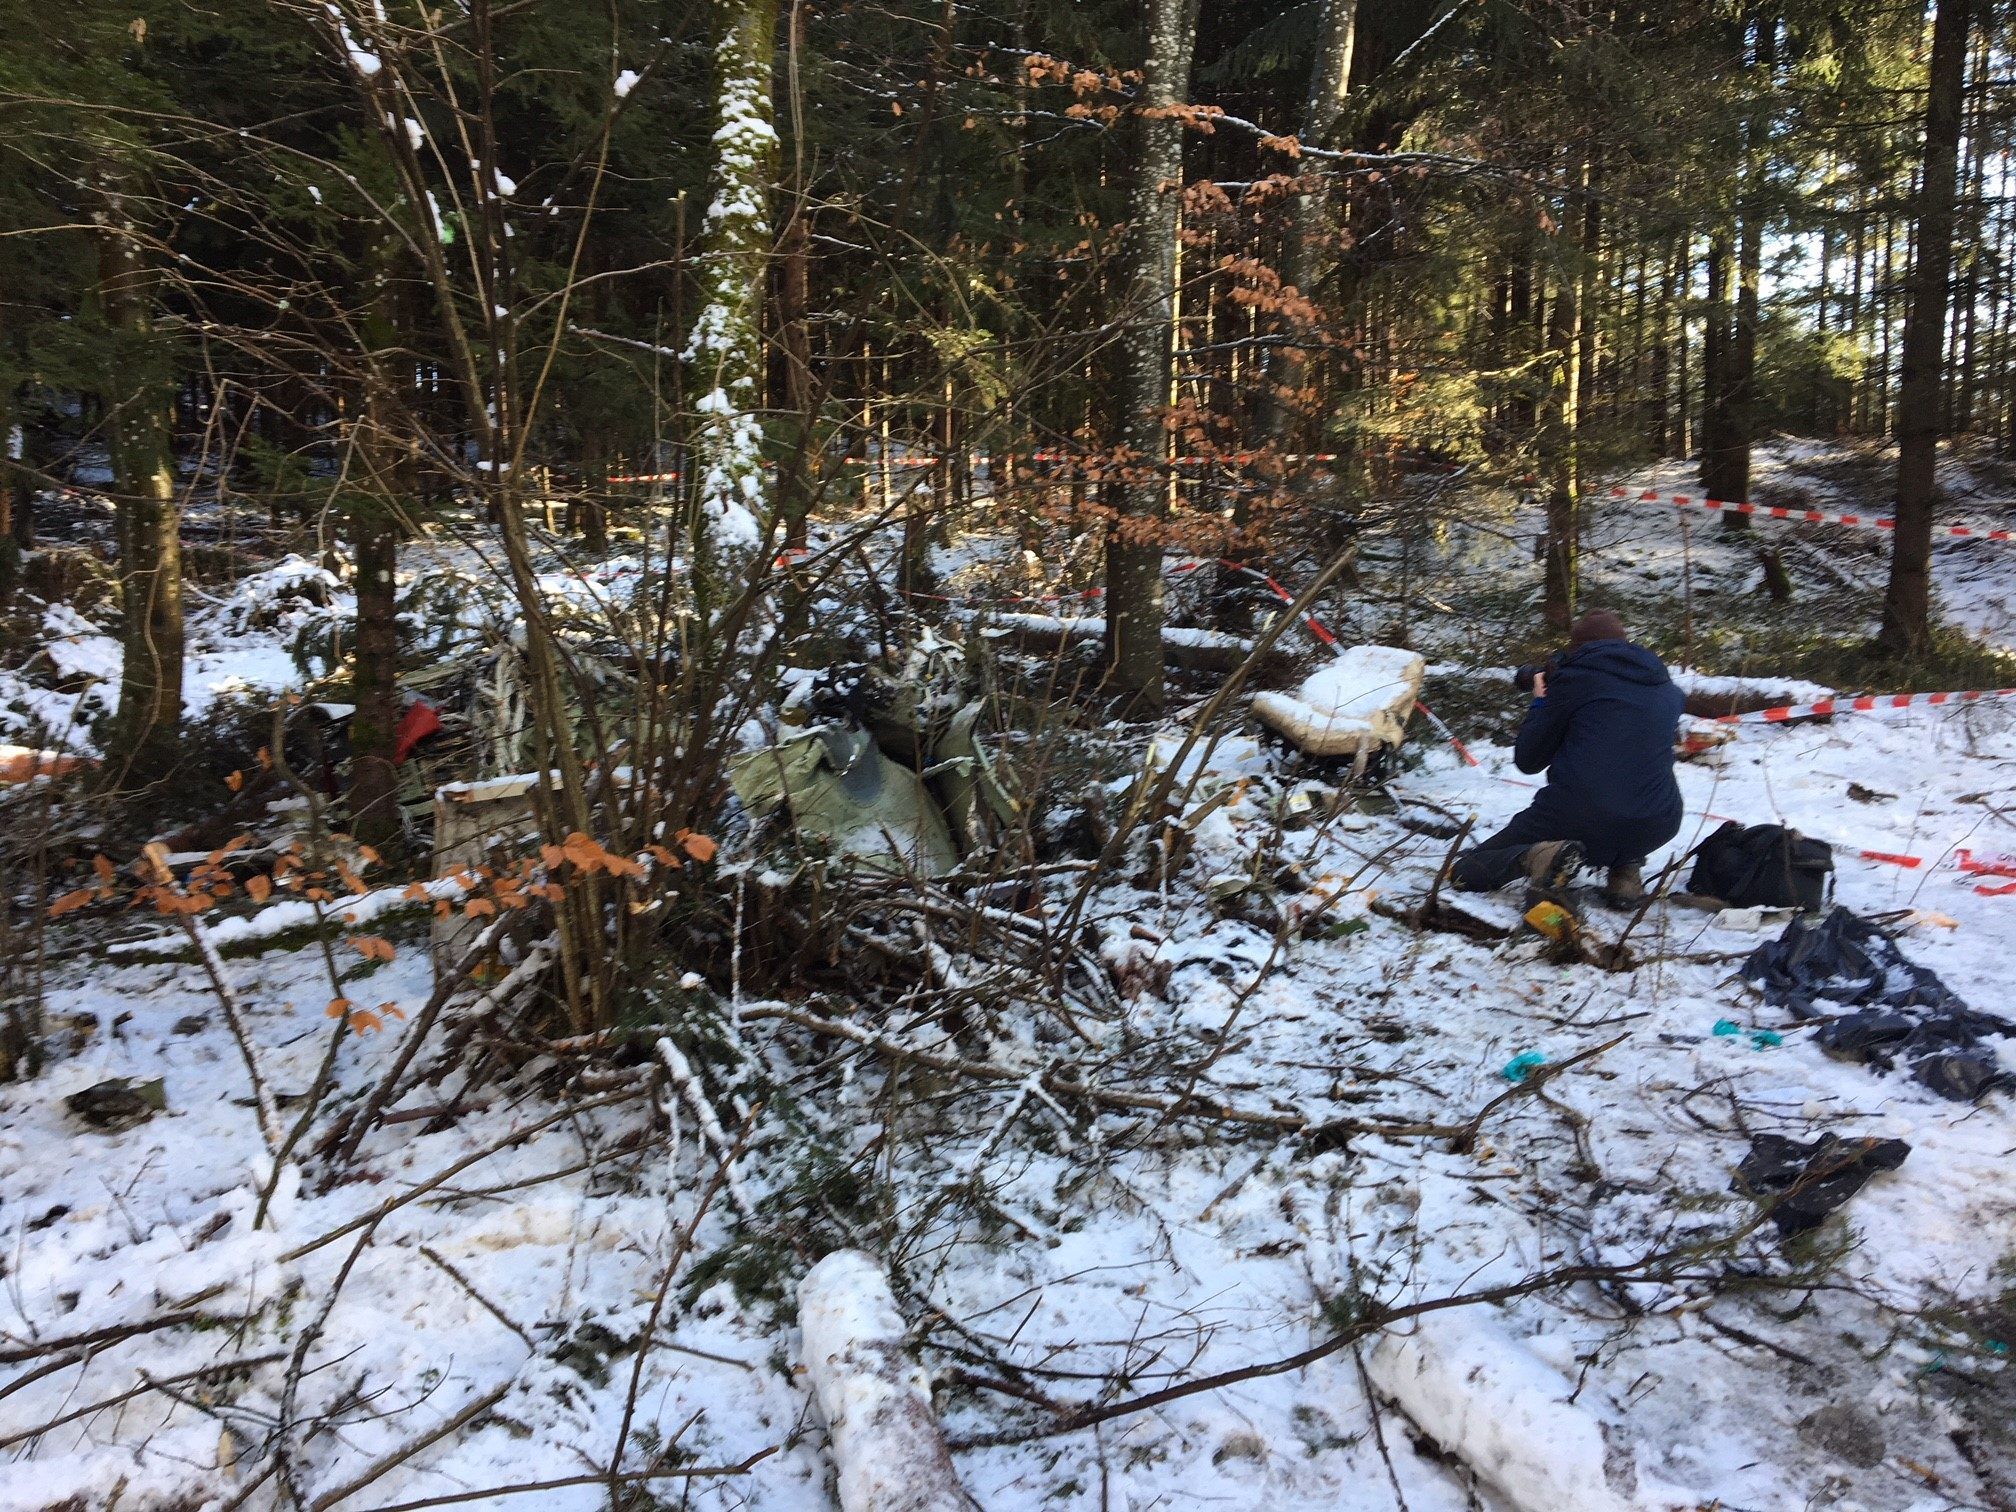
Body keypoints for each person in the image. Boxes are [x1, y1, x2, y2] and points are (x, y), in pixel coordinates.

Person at [1448, 608, 1684, 905]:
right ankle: (1625, 870)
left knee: (1464, 870)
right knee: (1627, 791)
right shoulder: (1667, 689)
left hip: (1579, 815)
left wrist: (1541, 703)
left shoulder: (1574, 682)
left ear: (1578, 649)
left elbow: (1528, 761)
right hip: (1660, 820)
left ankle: (1538, 857)